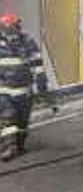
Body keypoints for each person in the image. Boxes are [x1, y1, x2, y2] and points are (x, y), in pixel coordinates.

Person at [0, 13, 48, 161]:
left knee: (22, 122)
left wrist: (41, 82)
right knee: (8, 118)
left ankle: (19, 145)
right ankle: (9, 147)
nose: (11, 30)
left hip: (24, 91)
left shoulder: (27, 41)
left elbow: (37, 62)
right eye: (7, 27)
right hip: (4, 90)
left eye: (14, 26)